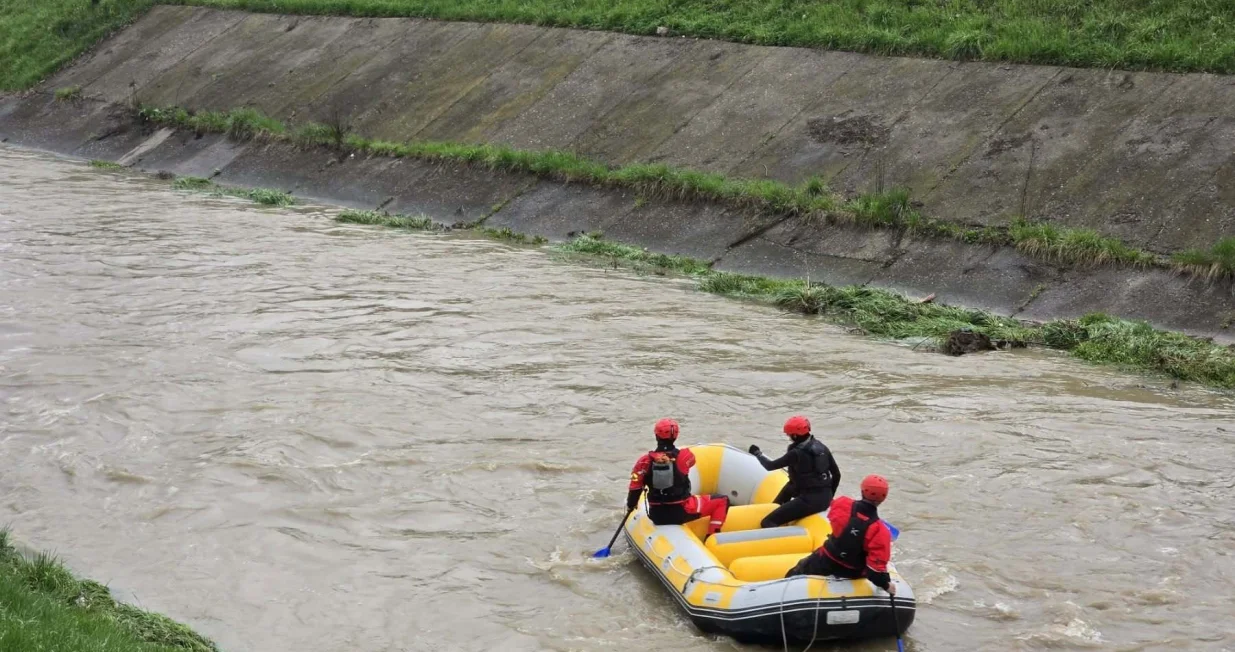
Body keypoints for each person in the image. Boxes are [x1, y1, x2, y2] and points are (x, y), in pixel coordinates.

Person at [784, 474, 896, 596]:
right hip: (851, 572)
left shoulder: (842, 504)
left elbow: (834, 520)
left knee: (794, 573)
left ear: (862, 490)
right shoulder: (881, 531)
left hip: (825, 560)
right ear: (883, 499)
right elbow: (875, 572)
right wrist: (887, 586)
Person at [627, 418, 730, 537]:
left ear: (656, 436)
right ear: (676, 436)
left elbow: (634, 486)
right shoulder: (686, 456)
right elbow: (692, 462)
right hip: (681, 511)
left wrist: (631, 505)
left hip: (656, 515)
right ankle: (712, 536)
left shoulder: (643, 461)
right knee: (722, 500)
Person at [747, 415, 841, 528]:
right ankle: (776, 509)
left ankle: (778, 542)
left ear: (795, 435)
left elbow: (770, 466)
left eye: (789, 435)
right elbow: (836, 474)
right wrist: (830, 497)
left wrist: (757, 453)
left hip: (809, 500)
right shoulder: (822, 447)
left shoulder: (796, 453)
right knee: (786, 492)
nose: (789, 437)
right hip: (824, 497)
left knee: (767, 521)